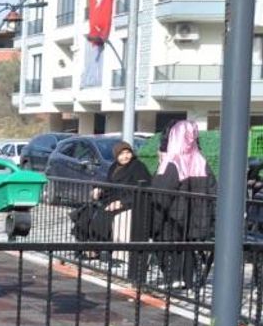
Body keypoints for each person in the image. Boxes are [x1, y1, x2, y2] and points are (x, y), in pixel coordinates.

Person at [149, 119, 215, 290]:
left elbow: (160, 196)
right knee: (188, 247)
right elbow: (213, 190)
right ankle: (187, 280)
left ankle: (173, 277)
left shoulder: (172, 163)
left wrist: (152, 224)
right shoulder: (202, 162)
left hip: (173, 219)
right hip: (198, 220)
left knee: (163, 242)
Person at [92, 140, 152, 277]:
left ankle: (117, 255)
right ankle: (92, 248)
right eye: (121, 154)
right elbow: (109, 185)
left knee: (112, 218)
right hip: (113, 200)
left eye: (127, 153)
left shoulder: (138, 167)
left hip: (132, 203)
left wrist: (122, 202)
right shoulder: (114, 167)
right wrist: (99, 190)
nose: (125, 156)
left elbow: (142, 190)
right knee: (87, 213)